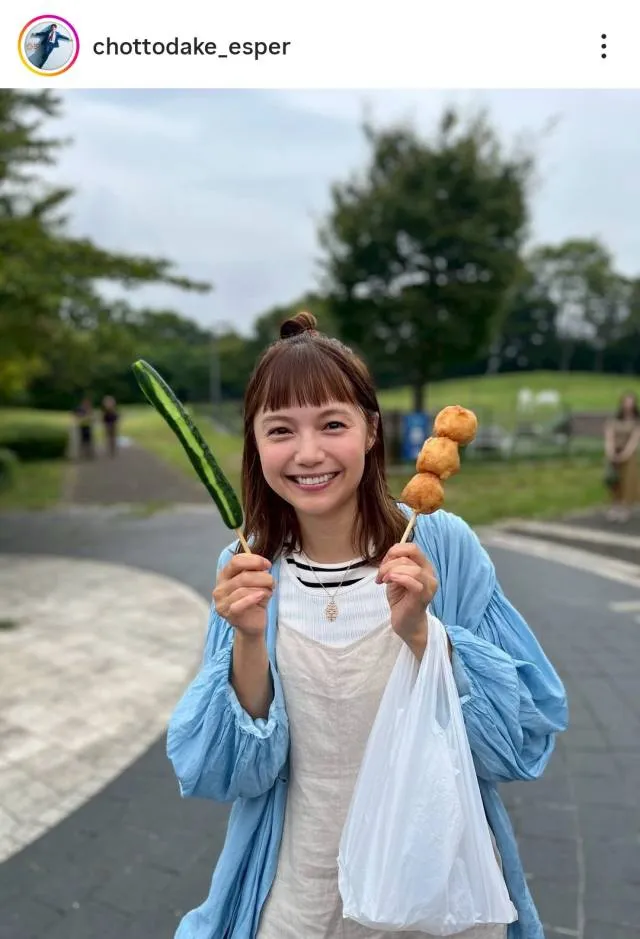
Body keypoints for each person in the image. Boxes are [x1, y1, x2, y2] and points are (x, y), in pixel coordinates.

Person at [167, 312, 568, 939]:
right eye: (280, 430)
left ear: (371, 430)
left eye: (332, 424)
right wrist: (248, 636)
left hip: (438, 898)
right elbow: (233, 775)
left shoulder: (441, 547)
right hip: (300, 898)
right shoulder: (245, 564)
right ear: (255, 443)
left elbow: (518, 742)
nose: (308, 453)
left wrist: (424, 635)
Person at [604, 391, 640, 522]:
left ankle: (626, 507)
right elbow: (609, 436)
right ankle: (615, 505)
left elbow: (634, 440)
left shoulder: (636, 421)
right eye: (626, 402)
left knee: (628, 481)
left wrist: (625, 454)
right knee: (614, 481)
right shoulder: (614, 419)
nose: (628, 405)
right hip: (614, 453)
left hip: (628, 456)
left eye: (631, 402)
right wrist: (610, 452)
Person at [73, 395, 94, 460]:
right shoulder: (80, 409)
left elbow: (91, 417)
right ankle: (82, 454)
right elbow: (77, 416)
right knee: (82, 441)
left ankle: (88, 454)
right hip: (82, 426)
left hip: (88, 426)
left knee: (89, 441)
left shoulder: (89, 409)